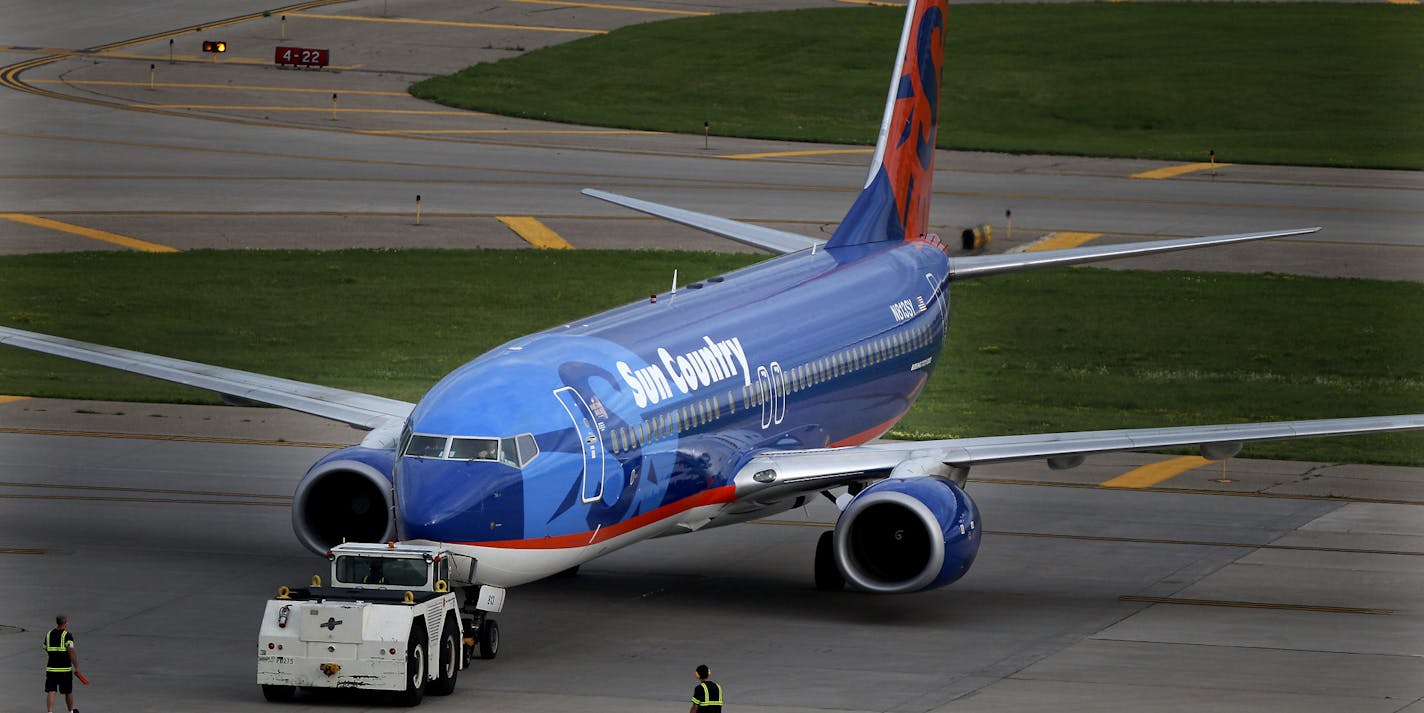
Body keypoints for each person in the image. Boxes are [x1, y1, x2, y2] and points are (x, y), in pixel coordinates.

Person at [43, 614, 81, 713]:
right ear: (65, 623)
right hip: (65, 669)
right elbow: (71, 651)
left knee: (51, 690)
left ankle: (50, 712)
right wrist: (77, 667)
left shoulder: (49, 634)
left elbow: (46, 648)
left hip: (51, 668)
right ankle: (70, 711)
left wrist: (53, 656)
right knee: (68, 691)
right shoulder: (67, 635)